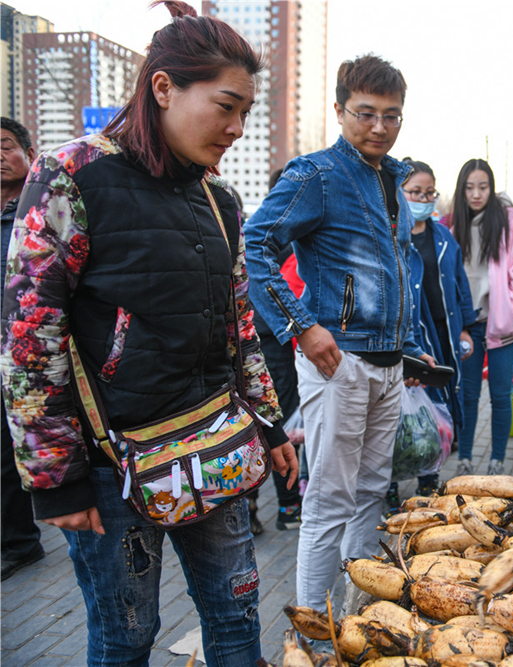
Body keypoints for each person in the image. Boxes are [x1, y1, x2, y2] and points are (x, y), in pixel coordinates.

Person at [0, 3, 299, 664]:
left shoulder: (221, 201)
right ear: (163, 87)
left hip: (215, 444)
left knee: (236, 617)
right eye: (226, 106)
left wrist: (271, 427)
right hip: (111, 468)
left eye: (247, 111)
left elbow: (240, 329)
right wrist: (56, 479)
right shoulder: (72, 177)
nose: (237, 128)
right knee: (126, 636)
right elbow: (29, 340)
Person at [244, 54, 433, 612]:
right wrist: (302, 328)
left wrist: (412, 348)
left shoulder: (396, 181)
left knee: (372, 495)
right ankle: (312, 628)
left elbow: (402, 271)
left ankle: (354, 618)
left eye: (392, 116)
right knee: (328, 502)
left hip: (389, 364)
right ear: (340, 110)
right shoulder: (317, 175)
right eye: (366, 113)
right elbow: (256, 245)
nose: (379, 126)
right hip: (338, 362)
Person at [441, 159, 513, 477]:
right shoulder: (452, 225)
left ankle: (497, 460)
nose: (476, 194)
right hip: (468, 328)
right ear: (461, 190)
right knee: (468, 395)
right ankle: (466, 458)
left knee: (500, 395)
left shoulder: (508, 220)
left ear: (491, 188)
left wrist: (511, 311)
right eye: (469, 187)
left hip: (501, 327)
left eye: (483, 187)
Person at [387, 159, 475, 502]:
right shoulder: (392, 234)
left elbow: (459, 283)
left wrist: (467, 327)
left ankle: (429, 475)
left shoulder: (443, 237)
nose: (424, 199)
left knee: (438, 404)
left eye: (429, 192)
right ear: (400, 193)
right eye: (415, 192)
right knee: (400, 412)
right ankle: (391, 483)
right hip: (410, 335)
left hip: (443, 334)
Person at [246, 166, 303, 534]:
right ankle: (286, 506)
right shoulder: (278, 231)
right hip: (274, 337)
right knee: (276, 416)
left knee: (264, 417)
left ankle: (257, 506)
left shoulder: (263, 226)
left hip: (262, 334)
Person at [1, 117, 45, 581]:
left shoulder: (40, 210)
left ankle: (21, 542)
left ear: (28, 154)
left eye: (6, 145)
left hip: (28, 358)